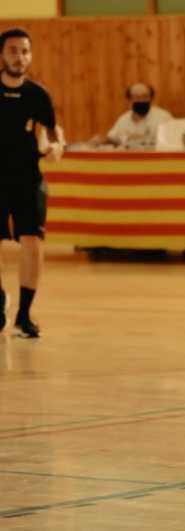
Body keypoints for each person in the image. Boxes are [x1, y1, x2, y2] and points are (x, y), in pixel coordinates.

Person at [0, 28, 63, 339]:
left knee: (31, 243)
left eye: (24, 51)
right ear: (2, 55)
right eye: (12, 51)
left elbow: (53, 130)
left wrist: (58, 146)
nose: (19, 57)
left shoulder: (38, 94)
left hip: (28, 177)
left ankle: (24, 315)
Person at [88, 82, 173, 149]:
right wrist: (100, 140)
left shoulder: (163, 117)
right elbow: (112, 138)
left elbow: (171, 142)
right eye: (136, 97)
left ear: (151, 99)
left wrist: (143, 141)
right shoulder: (124, 118)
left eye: (144, 96)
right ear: (130, 100)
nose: (140, 100)